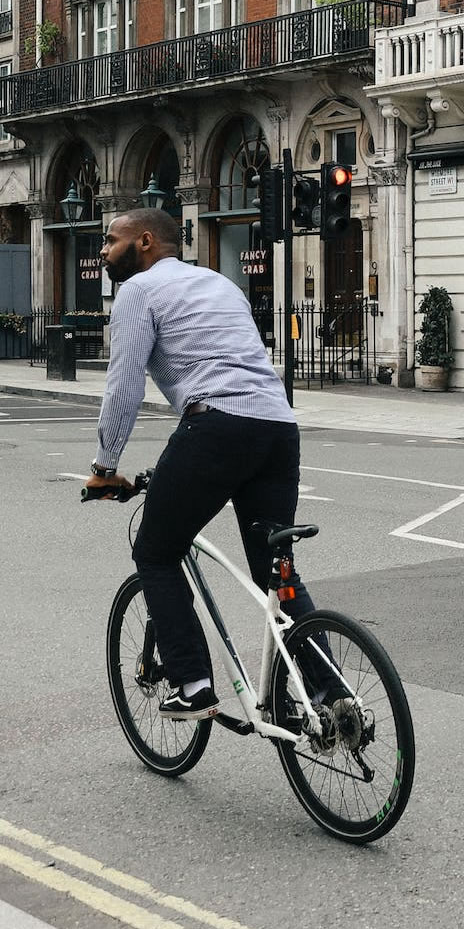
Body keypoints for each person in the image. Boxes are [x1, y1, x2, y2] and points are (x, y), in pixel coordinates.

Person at [84, 208, 315, 721]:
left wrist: (105, 467)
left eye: (109, 240)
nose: (102, 251)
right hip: (279, 428)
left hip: (216, 427)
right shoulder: (220, 283)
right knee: (274, 573)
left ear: (144, 242)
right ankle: (327, 694)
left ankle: (192, 684)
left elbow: (123, 387)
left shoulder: (137, 292)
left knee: (156, 552)